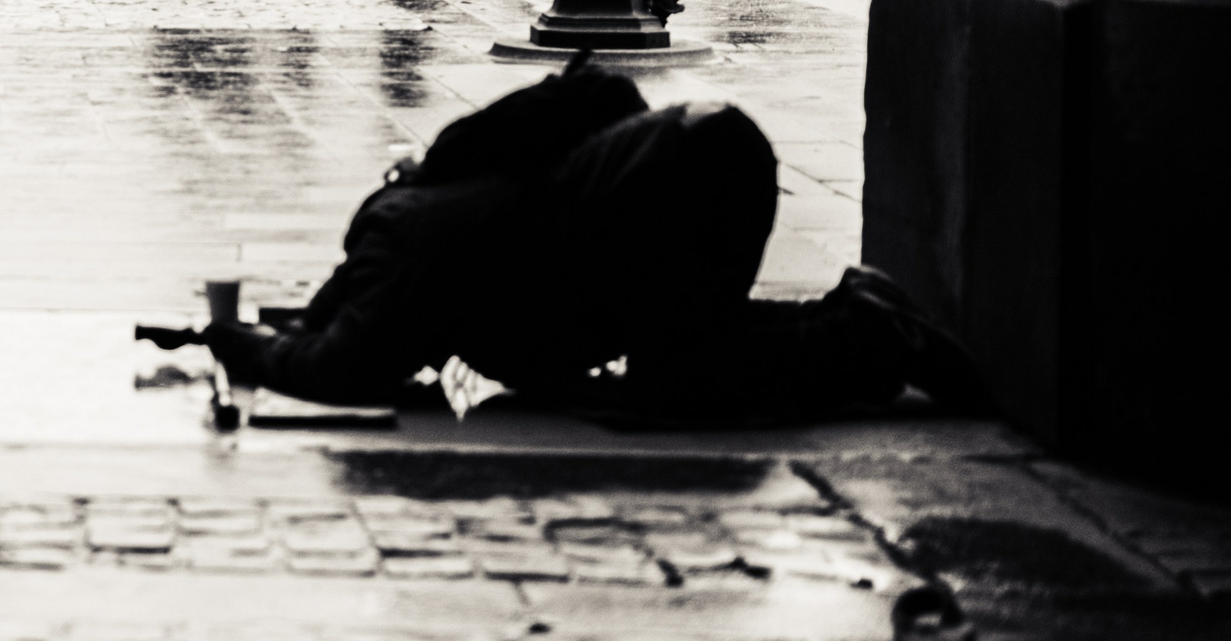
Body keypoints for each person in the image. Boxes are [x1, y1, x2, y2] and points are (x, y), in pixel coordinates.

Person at [197, 58, 990, 424]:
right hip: (706, 146)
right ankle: (856, 313)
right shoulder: (450, 200)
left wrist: (244, 345)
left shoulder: (405, 239)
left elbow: (344, 368)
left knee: (675, 381)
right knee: (687, 343)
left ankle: (868, 336)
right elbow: (609, 92)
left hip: (682, 173)